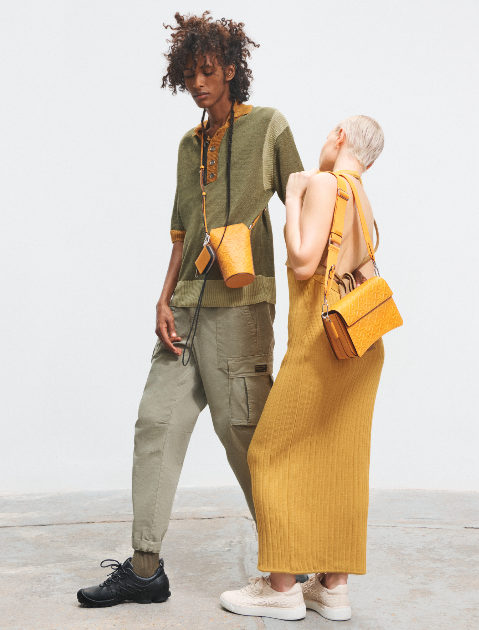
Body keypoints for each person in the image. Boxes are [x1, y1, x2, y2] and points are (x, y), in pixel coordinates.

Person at [77, 12, 304, 608]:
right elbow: (181, 234)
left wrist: (319, 279)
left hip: (242, 309)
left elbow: (303, 205)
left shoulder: (270, 126)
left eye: (207, 71)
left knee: (246, 438)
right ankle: (144, 570)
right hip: (186, 307)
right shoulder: (188, 145)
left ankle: (294, 560)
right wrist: (163, 297)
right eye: (189, 74)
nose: (198, 83)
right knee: (156, 424)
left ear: (230, 69)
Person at [220, 115, 386, 622]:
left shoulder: (324, 184)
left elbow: (304, 261)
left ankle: (281, 588)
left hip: (321, 343)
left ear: (340, 137)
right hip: (362, 342)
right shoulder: (362, 197)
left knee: (269, 453)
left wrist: (291, 197)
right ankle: (333, 588)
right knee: (340, 460)